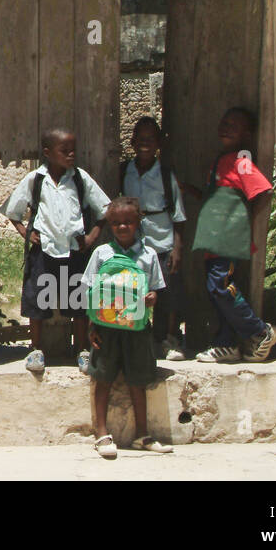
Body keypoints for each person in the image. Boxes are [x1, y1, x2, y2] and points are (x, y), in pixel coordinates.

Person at [0, 128, 110, 374]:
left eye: (73, 150)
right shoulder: (35, 180)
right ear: (48, 153)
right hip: (44, 250)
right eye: (64, 151)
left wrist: (92, 236)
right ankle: (36, 349)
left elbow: (106, 208)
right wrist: (25, 232)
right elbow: (12, 211)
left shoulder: (80, 178)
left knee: (78, 301)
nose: (71, 155)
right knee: (38, 299)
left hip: (74, 251)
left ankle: (81, 350)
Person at [83, 196, 172, 458]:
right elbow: (91, 291)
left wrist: (152, 299)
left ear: (138, 222)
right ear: (110, 225)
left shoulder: (148, 255)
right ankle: (101, 433)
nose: (123, 227)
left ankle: (142, 435)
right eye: (117, 223)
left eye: (128, 222)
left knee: (138, 379)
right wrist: (92, 326)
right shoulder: (102, 254)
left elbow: (155, 291)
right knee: (103, 377)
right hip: (107, 326)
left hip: (137, 327)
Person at [193, 107, 276, 364]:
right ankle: (226, 344)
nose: (226, 126)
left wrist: (246, 221)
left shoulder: (241, 161)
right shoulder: (221, 160)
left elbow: (263, 191)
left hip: (227, 238)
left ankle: (260, 331)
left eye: (235, 124)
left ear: (247, 134)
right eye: (224, 121)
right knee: (214, 289)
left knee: (220, 287)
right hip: (213, 238)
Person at [120, 117, 188, 360]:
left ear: (159, 143)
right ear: (132, 142)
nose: (145, 143)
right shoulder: (124, 171)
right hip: (134, 245)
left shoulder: (165, 174)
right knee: (133, 290)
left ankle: (168, 339)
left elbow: (178, 215)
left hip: (162, 243)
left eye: (150, 139)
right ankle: (135, 338)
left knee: (166, 293)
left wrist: (177, 250)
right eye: (140, 139)